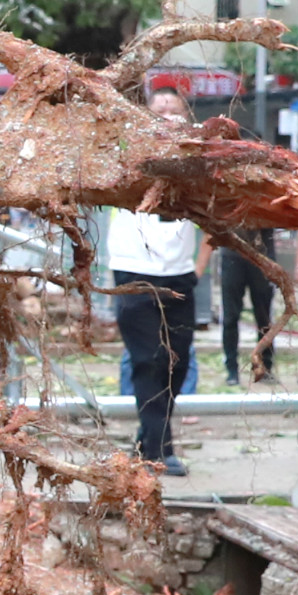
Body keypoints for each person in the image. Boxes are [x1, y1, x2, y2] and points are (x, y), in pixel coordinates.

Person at [108, 89, 207, 473]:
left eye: (174, 107)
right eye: (158, 106)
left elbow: (215, 219)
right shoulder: (128, 149)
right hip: (134, 270)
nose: (166, 111)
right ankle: (157, 451)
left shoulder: (197, 155)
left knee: (177, 363)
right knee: (149, 360)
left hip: (179, 274)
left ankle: (148, 440)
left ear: (186, 115)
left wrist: (198, 267)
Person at [219, 225, 281, 384]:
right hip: (232, 254)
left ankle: (265, 367)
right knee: (230, 317)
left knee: (264, 316)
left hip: (262, 255)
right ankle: (231, 369)